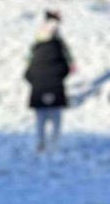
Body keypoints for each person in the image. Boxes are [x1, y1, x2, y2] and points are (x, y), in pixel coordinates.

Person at [25, 9, 76, 152]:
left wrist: (35, 81)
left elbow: (27, 72)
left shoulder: (35, 47)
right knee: (56, 119)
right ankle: (54, 144)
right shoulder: (59, 46)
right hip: (56, 88)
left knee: (40, 120)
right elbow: (66, 67)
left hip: (38, 89)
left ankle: (40, 142)